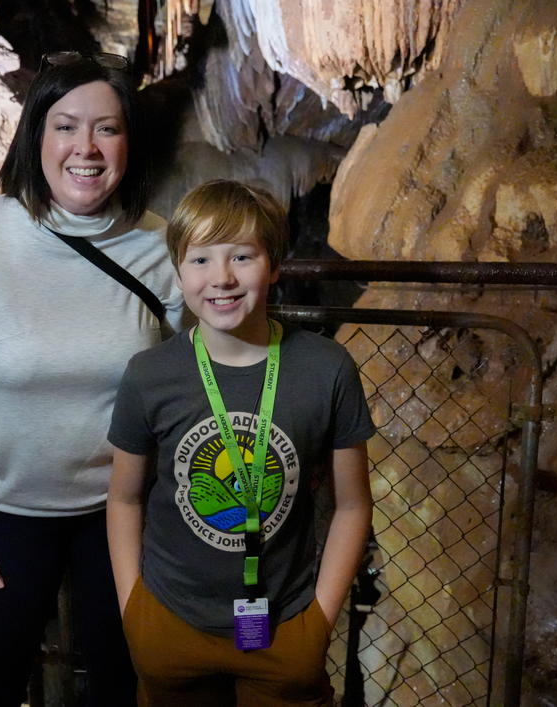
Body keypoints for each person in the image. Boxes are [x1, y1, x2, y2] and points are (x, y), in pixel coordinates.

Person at [0, 51, 186, 707]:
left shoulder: (162, 246)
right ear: (36, 136)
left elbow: (206, 364)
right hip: (0, 519)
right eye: (66, 126)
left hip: (122, 515)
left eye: (107, 128)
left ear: (129, 141)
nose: (85, 148)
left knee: (127, 685)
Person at [106, 179, 376, 707]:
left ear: (273, 265)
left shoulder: (325, 369)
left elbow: (352, 504)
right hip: (169, 622)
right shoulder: (149, 375)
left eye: (242, 256)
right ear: (179, 271)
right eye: (201, 259)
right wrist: (133, 609)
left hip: (284, 626)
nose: (222, 278)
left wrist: (319, 619)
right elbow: (124, 497)